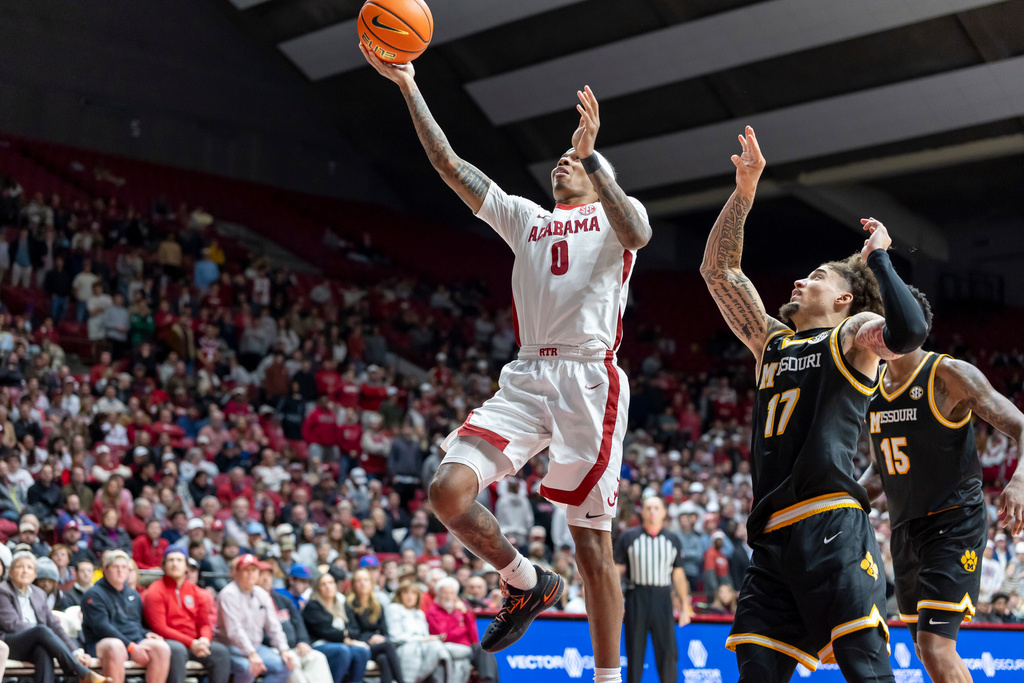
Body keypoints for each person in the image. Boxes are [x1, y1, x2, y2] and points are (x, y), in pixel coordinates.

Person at [362, 45, 652, 679]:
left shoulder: (611, 218)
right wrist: (410, 85)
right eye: (558, 162)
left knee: (592, 544)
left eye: (570, 162)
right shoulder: (526, 218)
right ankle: (527, 582)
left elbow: (639, 233)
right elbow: (447, 163)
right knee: (446, 491)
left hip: (589, 377)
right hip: (527, 375)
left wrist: (595, 158)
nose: (560, 167)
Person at [700, 126, 927, 681]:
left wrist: (881, 260)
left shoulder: (854, 336)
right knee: (756, 669)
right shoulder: (771, 341)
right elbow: (719, 272)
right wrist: (745, 192)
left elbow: (910, 331)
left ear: (845, 298)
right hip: (771, 537)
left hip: (831, 522)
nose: (802, 279)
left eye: (818, 277)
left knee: (865, 668)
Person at [858, 287, 1024, 683]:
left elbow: (1022, 425)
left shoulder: (949, 375)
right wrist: (837, 499)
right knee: (925, 649)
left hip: (953, 523)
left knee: (935, 647)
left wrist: (1018, 480)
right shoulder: (872, 390)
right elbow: (879, 473)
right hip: (905, 529)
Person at [613, 496, 690, 683]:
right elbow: (616, 572)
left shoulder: (672, 539)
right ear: (642, 512)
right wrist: (616, 603)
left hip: (663, 598)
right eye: (648, 508)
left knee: (668, 652)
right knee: (635, 653)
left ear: (664, 512)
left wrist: (686, 607)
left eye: (656, 507)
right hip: (636, 597)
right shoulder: (628, 537)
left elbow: (679, 576)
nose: (652, 511)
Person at [0, 551, 109, 683]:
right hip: (10, 642)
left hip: (38, 641)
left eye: (29, 568)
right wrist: (41, 633)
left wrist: (76, 652)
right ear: (10, 572)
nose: (25, 571)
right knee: (41, 630)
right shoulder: (3, 591)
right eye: (20, 567)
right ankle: (80, 672)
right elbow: (11, 624)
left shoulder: (39, 593)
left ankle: (80, 672)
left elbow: (54, 625)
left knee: (43, 651)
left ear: (34, 574)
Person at [83, 549, 186, 683]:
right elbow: (102, 628)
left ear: (128, 571)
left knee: (161, 647)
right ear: (105, 569)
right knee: (116, 646)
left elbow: (137, 624)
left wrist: (147, 633)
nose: (120, 571)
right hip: (101, 642)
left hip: (133, 641)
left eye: (124, 567)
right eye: (115, 567)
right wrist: (130, 646)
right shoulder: (93, 594)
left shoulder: (133, 594)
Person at [142, 547, 232, 683]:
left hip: (195, 643)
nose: (175, 563)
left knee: (220, 652)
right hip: (168, 642)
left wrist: (204, 640)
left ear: (186, 566)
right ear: (164, 565)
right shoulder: (155, 591)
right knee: (177, 650)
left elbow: (204, 623)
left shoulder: (195, 591)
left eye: (179, 560)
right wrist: (192, 643)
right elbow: (160, 628)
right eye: (171, 560)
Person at [214, 554, 299, 683]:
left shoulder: (262, 594)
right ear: (236, 573)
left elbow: (274, 626)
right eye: (246, 570)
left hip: (256, 646)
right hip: (229, 647)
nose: (250, 574)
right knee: (249, 668)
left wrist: (284, 649)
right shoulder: (228, 594)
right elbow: (234, 631)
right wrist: (251, 654)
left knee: (287, 665)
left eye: (254, 570)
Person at [256, 561, 333, 683]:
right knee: (292, 661)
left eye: (269, 575)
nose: (266, 579)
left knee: (318, 658)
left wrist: (302, 641)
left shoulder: (282, 599)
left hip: (293, 646)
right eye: (262, 575)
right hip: (272, 648)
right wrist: (282, 648)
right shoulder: (253, 601)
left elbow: (298, 623)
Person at [303, 570, 372, 683]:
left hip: (342, 644)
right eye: (323, 584)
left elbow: (355, 629)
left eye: (330, 583)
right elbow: (326, 632)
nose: (328, 587)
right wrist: (347, 638)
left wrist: (344, 635)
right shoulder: (313, 605)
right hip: (320, 645)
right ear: (318, 588)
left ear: (336, 586)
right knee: (342, 650)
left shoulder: (341, 604)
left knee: (362, 651)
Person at [426, 577, 498, 683]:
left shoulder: (460, 610)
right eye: (445, 593)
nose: (448, 596)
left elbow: (474, 637)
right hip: (448, 646)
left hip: (467, 647)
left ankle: (488, 680)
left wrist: (465, 613)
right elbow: (444, 636)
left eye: (452, 593)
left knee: (485, 649)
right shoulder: (433, 611)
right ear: (438, 594)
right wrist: (462, 627)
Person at [346, 568, 405, 683]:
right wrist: (371, 639)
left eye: (366, 580)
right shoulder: (349, 605)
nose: (362, 583)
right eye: (358, 580)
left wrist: (381, 638)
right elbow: (353, 633)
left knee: (383, 658)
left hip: (376, 646)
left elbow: (385, 633)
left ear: (371, 583)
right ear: (353, 584)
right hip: (359, 645)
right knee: (388, 646)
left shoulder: (378, 605)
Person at [385, 581, 451, 683]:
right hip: (403, 646)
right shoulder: (394, 608)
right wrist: (423, 639)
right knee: (415, 649)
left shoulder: (419, 613)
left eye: (413, 593)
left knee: (439, 648)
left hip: (422, 646)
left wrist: (431, 638)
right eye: (406, 593)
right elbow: (395, 637)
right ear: (399, 595)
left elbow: (425, 636)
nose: (410, 596)